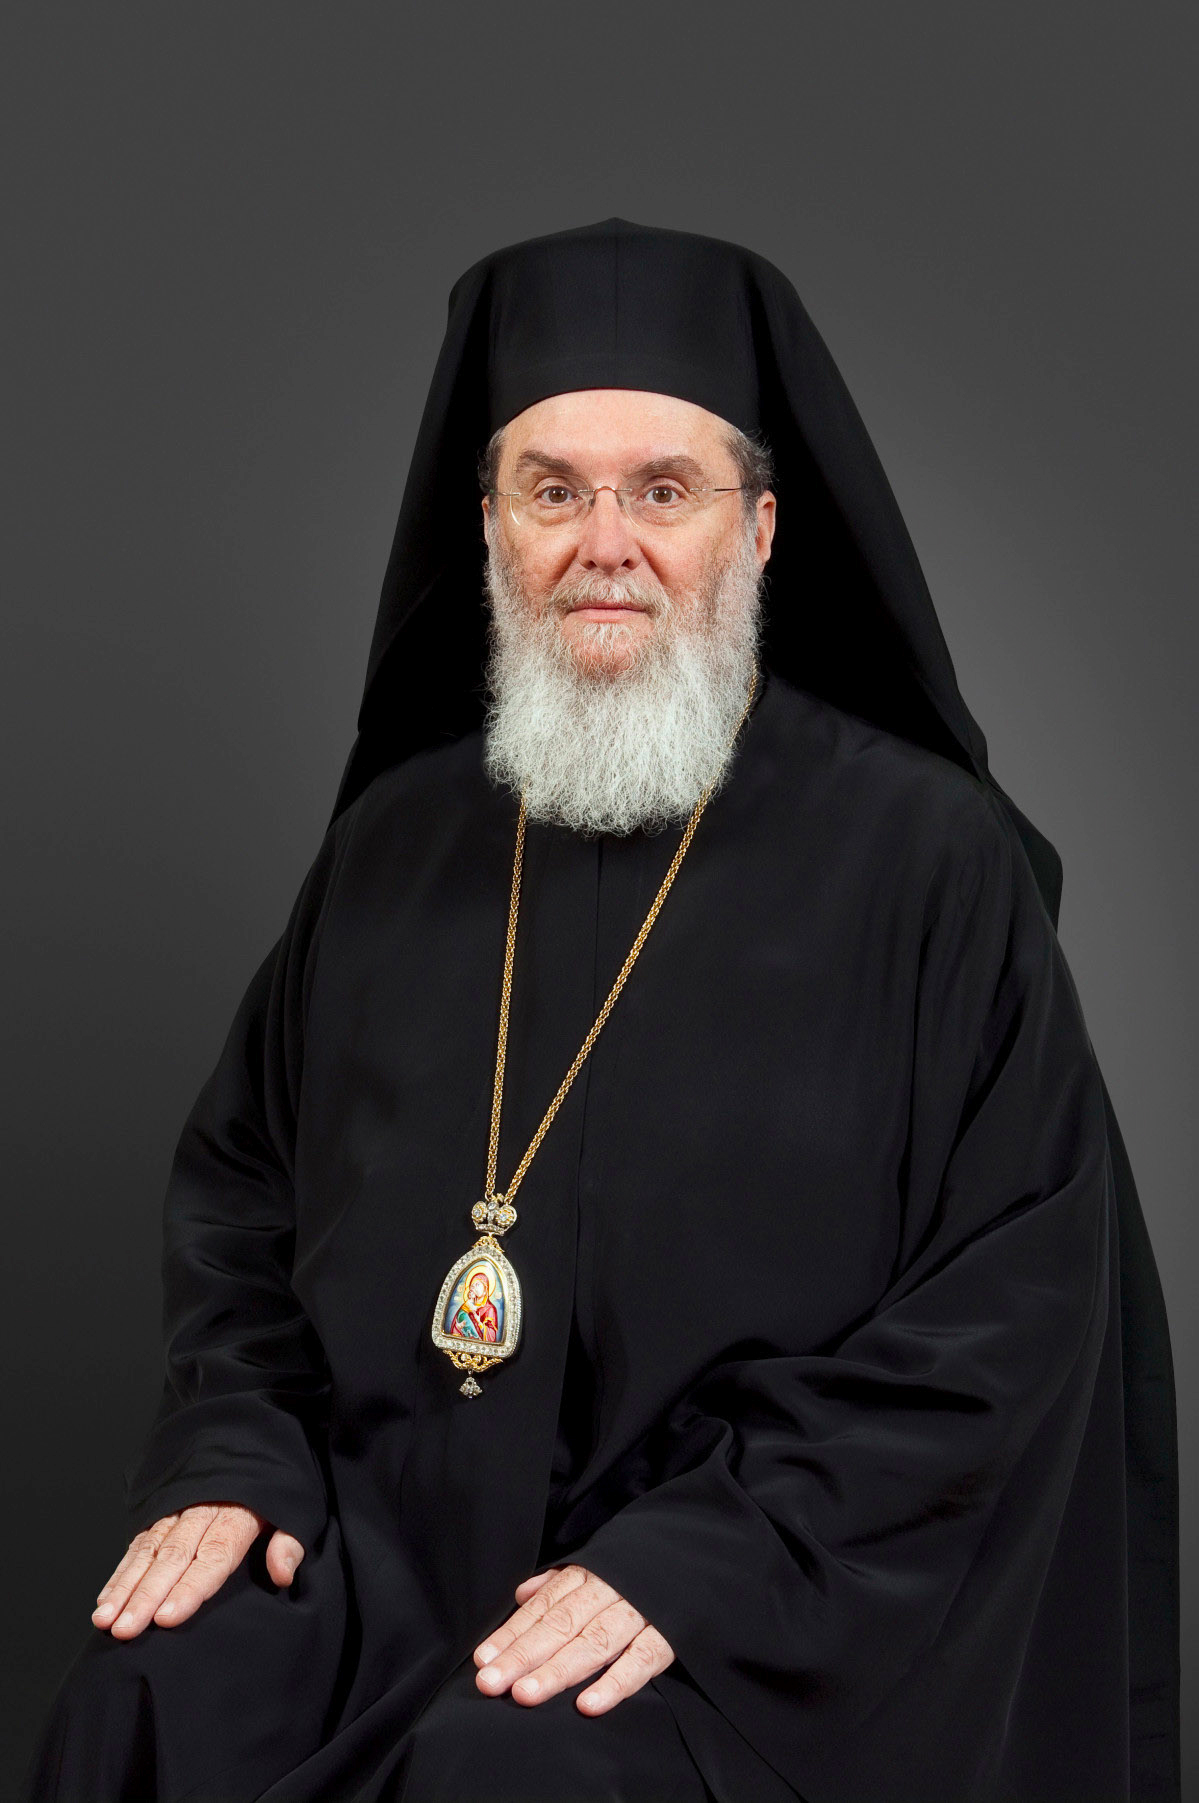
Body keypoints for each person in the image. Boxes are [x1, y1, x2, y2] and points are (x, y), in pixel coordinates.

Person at [22, 217, 1179, 1803]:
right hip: (390, 1540)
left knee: (516, 1772)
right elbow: (240, 1201)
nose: (604, 543)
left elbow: (1008, 1311)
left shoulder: (927, 860)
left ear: (761, 528)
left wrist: (707, 1558)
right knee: (150, 1689)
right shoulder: (397, 844)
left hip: (767, 1587)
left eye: (663, 490)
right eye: (552, 490)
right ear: (488, 523)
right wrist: (237, 1449)